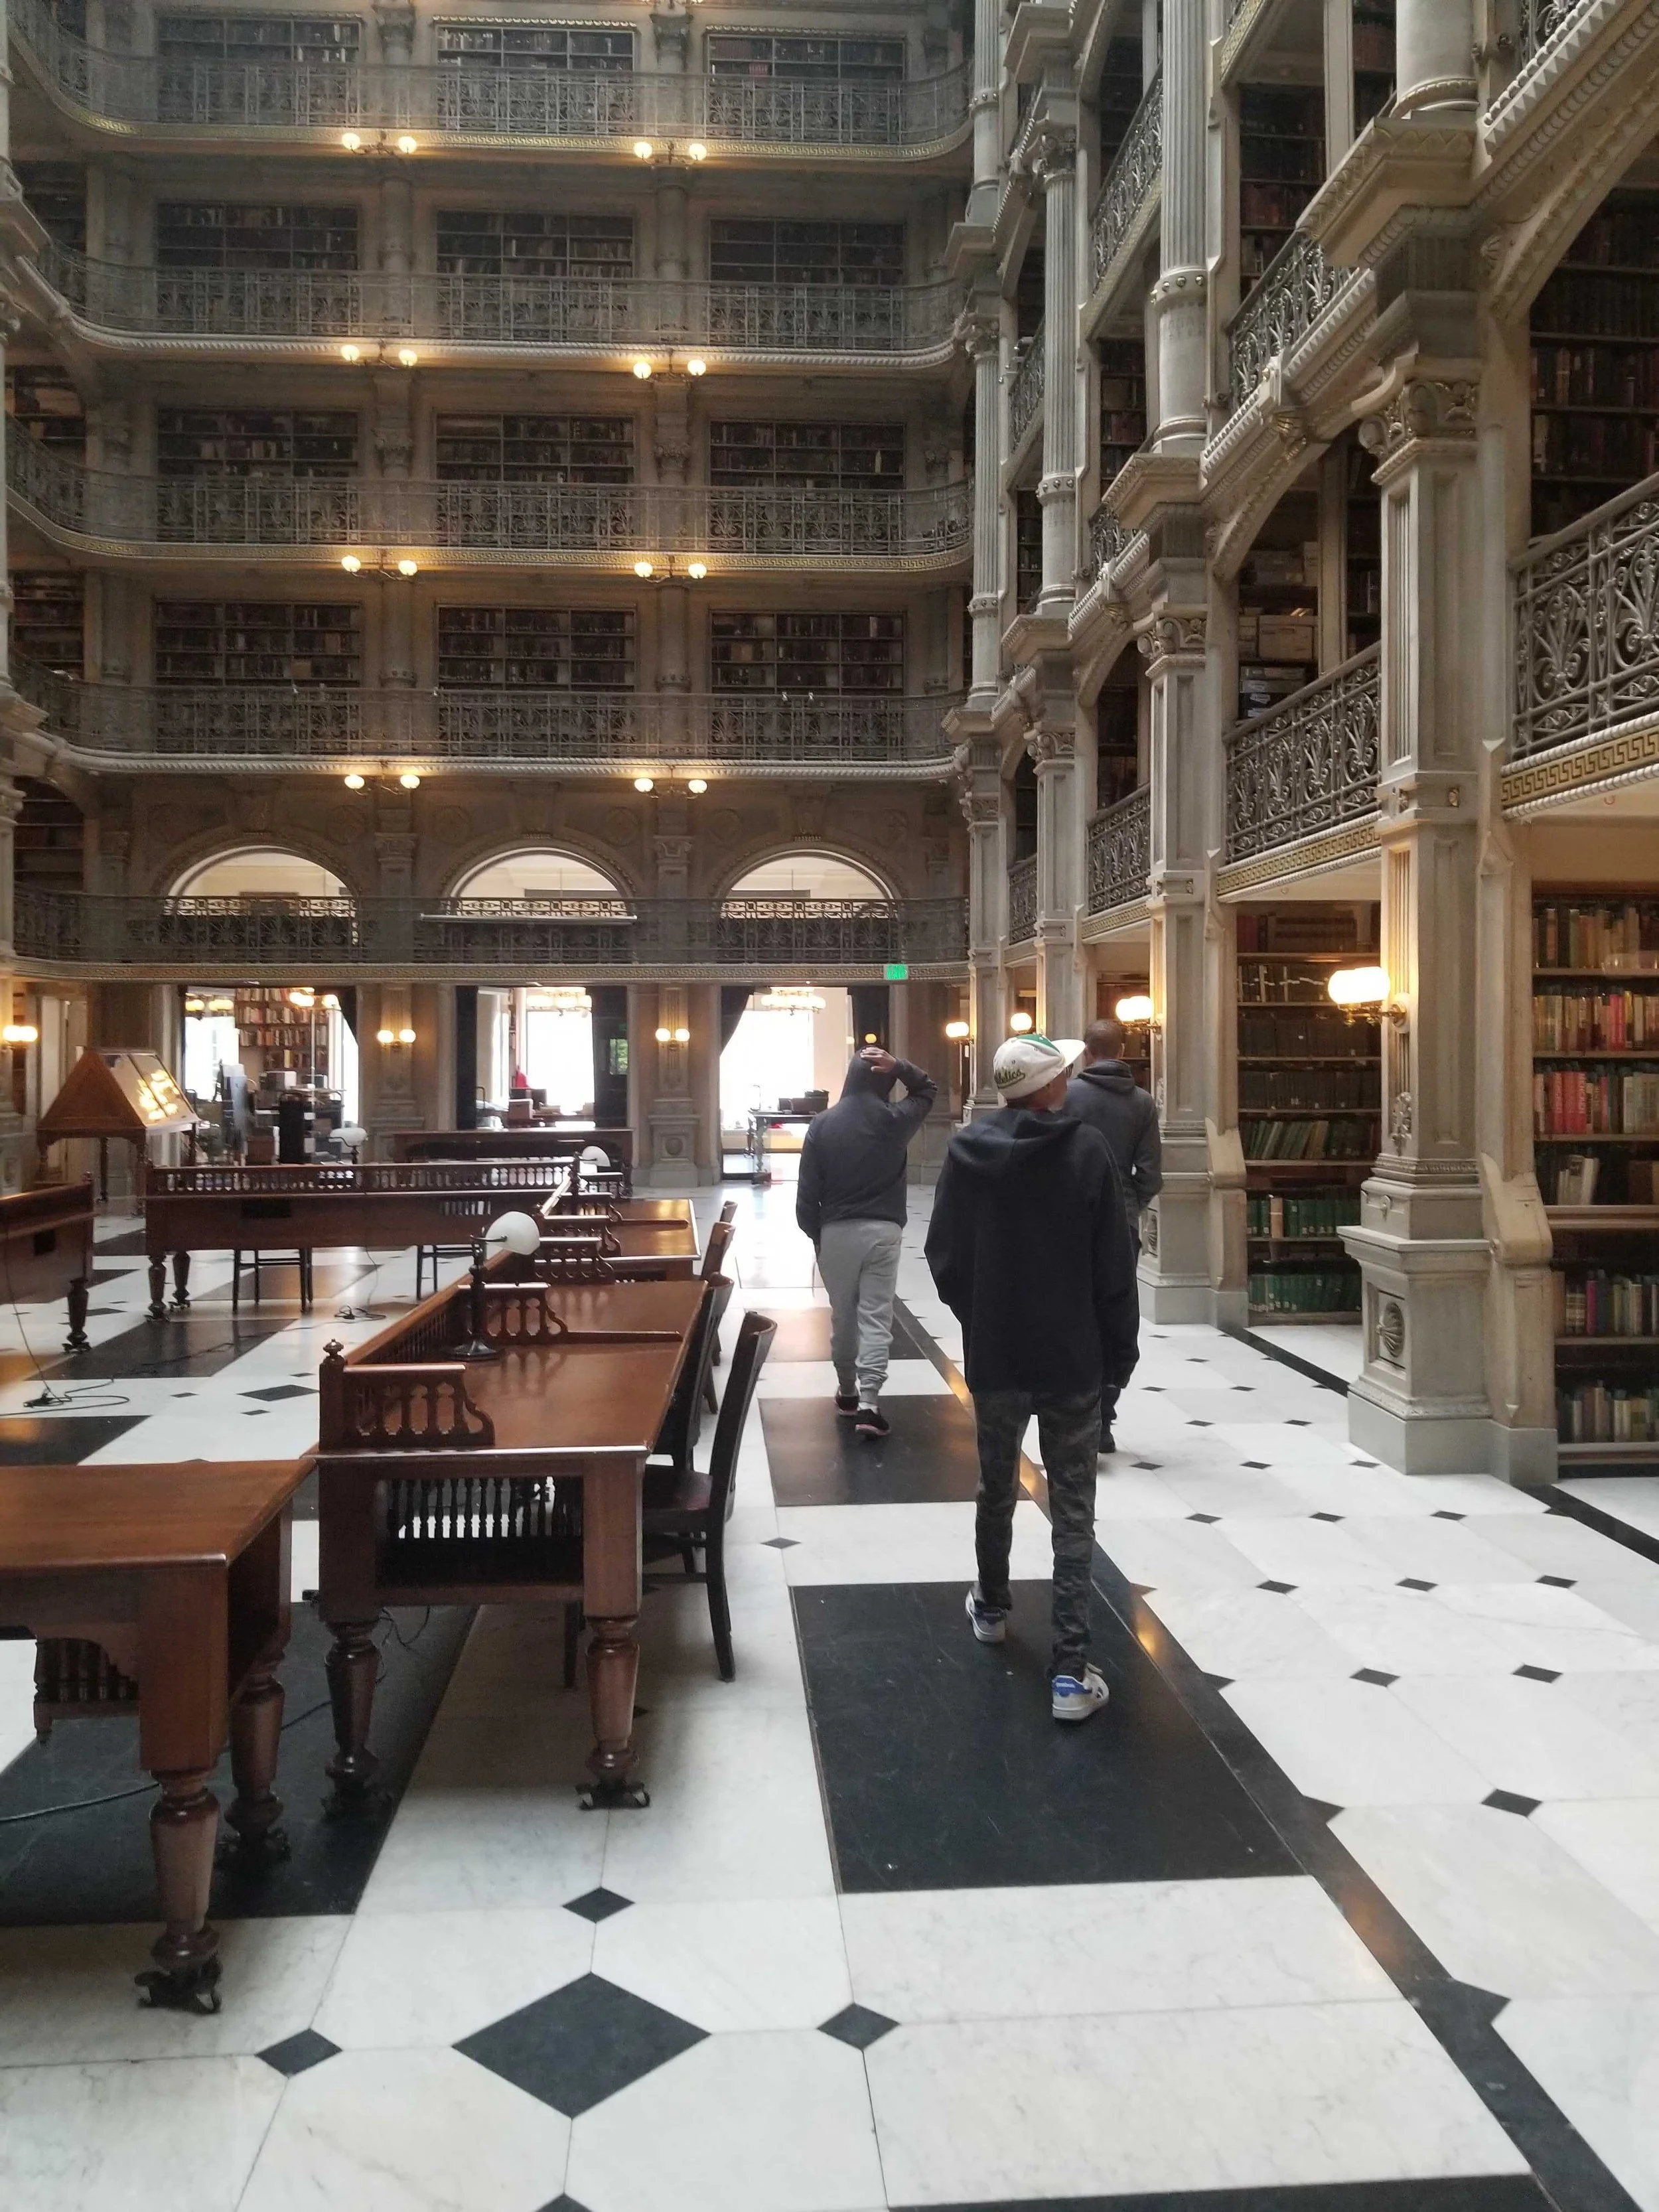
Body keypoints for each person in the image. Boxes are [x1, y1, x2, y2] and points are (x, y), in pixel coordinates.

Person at [925, 1032, 1139, 1723]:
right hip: (1072, 1357)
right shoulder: (1087, 1153)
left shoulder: (965, 1153)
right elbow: (1114, 1267)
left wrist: (981, 1315)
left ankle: (991, 1607)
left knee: (996, 1485)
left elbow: (944, 1256)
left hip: (998, 1356)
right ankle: (1069, 1674)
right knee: (1072, 1507)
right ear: (1050, 1087)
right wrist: (1119, 1355)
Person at [796, 1043, 937, 1441]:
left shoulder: (822, 1124)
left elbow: (807, 1192)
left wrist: (817, 1236)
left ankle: (846, 1391)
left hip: (836, 1231)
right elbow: (928, 1091)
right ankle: (871, 1403)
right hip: (884, 1231)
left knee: (843, 1313)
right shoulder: (895, 1119)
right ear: (888, 1082)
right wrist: (902, 1065)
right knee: (876, 1314)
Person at [1064, 1016, 1161, 1453]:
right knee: (1117, 1315)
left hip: (1071, 1218)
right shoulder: (1142, 1102)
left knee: (1074, 1312)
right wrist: (1129, 1203)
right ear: (1122, 1050)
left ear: (1087, 1051)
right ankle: (1106, 1412)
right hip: (1121, 1221)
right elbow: (1153, 1174)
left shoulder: (1065, 1095)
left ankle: (1076, 1408)